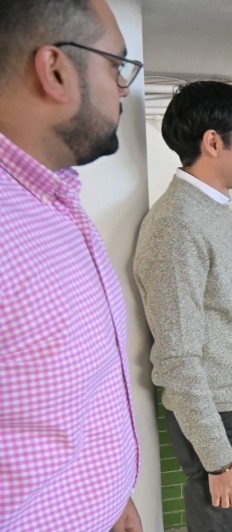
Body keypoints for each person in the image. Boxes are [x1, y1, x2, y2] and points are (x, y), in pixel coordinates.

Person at [0, 0, 142, 529]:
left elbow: (64, 405)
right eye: (116, 65)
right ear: (55, 70)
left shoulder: (55, 205)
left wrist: (112, 496)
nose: (123, 88)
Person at [134, 81, 232, 532]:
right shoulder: (177, 224)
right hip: (220, 416)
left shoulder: (211, 210)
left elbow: (226, 319)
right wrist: (218, 460)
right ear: (213, 142)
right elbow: (177, 356)